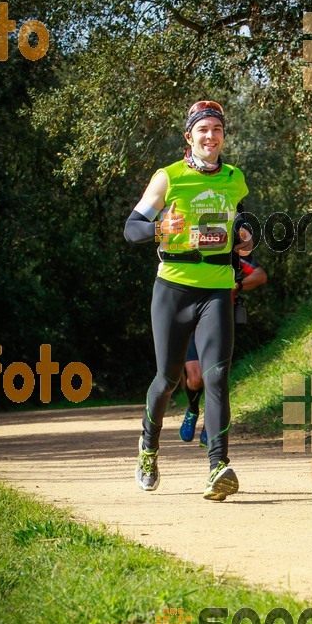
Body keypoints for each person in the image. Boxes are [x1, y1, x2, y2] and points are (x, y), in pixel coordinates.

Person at [124, 100, 252, 501]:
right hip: (174, 287)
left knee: (216, 375)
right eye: (203, 130)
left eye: (217, 129)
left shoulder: (235, 178)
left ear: (223, 137)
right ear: (189, 137)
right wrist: (161, 226)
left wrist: (246, 237)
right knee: (168, 380)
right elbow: (132, 229)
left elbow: (241, 222)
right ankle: (148, 449)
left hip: (217, 285)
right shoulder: (168, 177)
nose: (210, 136)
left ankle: (218, 466)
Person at [180, 249, 267, 446]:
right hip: (189, 319)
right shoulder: (187, 247)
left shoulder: (231, 252)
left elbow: (260, 275)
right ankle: (193, 409)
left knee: (213, 376)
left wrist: (237, 285)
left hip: (219, 320)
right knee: (195, 378)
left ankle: (208, 428)